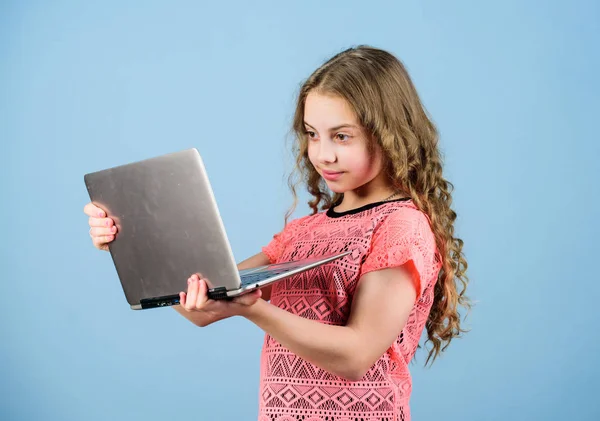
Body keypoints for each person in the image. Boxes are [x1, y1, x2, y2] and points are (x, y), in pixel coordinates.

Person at [83, 45, 470, 421]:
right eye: (312, 134)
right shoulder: (302, 234)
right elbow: (200, 307)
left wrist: (253, 308)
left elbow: (356, 355)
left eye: (342, 136)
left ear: (389, 133)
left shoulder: (400, 226)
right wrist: (129, 242)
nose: (322, 154)